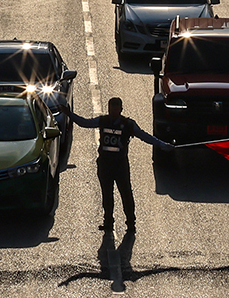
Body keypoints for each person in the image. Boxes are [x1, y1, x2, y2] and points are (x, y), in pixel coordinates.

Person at [58, 97, 172, 232]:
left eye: (116, 108)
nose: (113, 111)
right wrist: (68, 114)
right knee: (107, 195)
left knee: (126, 194)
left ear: (121, 109)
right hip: (105, 164)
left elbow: (144, 136)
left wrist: (162, 144)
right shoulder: (103, 121)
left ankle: (130, 223)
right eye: (111, 108)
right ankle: (108, 222)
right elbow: (84, 123)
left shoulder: (128, 124)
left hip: (120, 165)